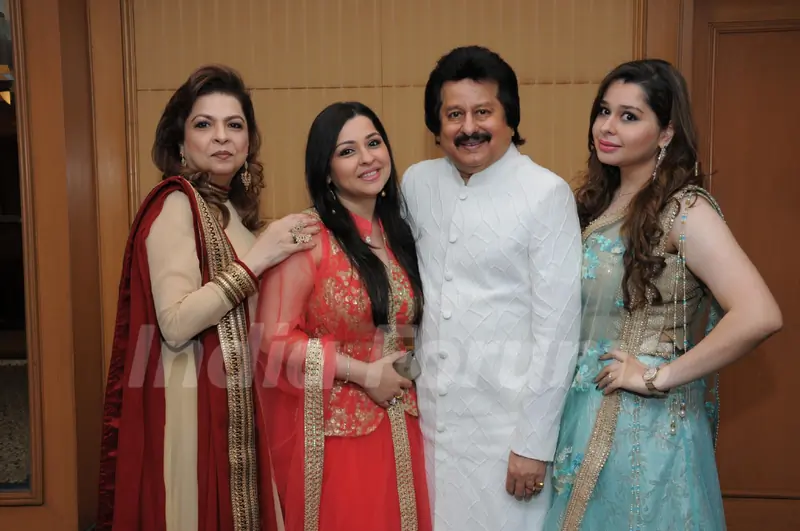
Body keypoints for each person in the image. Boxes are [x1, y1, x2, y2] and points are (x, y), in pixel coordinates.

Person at [543, 59, 783, 531]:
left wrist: (658, 376)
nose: (607, 127)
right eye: (604, 111)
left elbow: (759, 314)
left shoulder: (684, 211)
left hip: (645, 428)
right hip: (584, 413)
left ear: (666, 133)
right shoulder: (595, 205)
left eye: (629, 116)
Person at [96, 65, 318, 531]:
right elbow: (176, 323)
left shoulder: (227, 209)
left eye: (234, 125)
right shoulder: (175, 204)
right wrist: (260, 258)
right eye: (204, 124)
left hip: (233, 396)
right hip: (191, 405)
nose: (221, 136)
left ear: (248, 142)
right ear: (180, 141)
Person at [400, 45, 583, 530]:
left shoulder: (545, 193)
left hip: (506, 438)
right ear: (436, 124)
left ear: (509, 117)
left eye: (483, 112)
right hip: (429, 428)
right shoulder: (417, 183)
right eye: (454, 114)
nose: (469, 127)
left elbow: (559, 330)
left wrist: (533, 444)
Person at [254, 101, 432, 531]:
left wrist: (404, 369)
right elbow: (273, 339)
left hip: (403, 425)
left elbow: (402, 322)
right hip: (338, 438)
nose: (367, 158)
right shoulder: (307, 237)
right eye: (348, 151)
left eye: (374, 143)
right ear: (327, 170)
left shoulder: (399, 234)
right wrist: (364, 373)